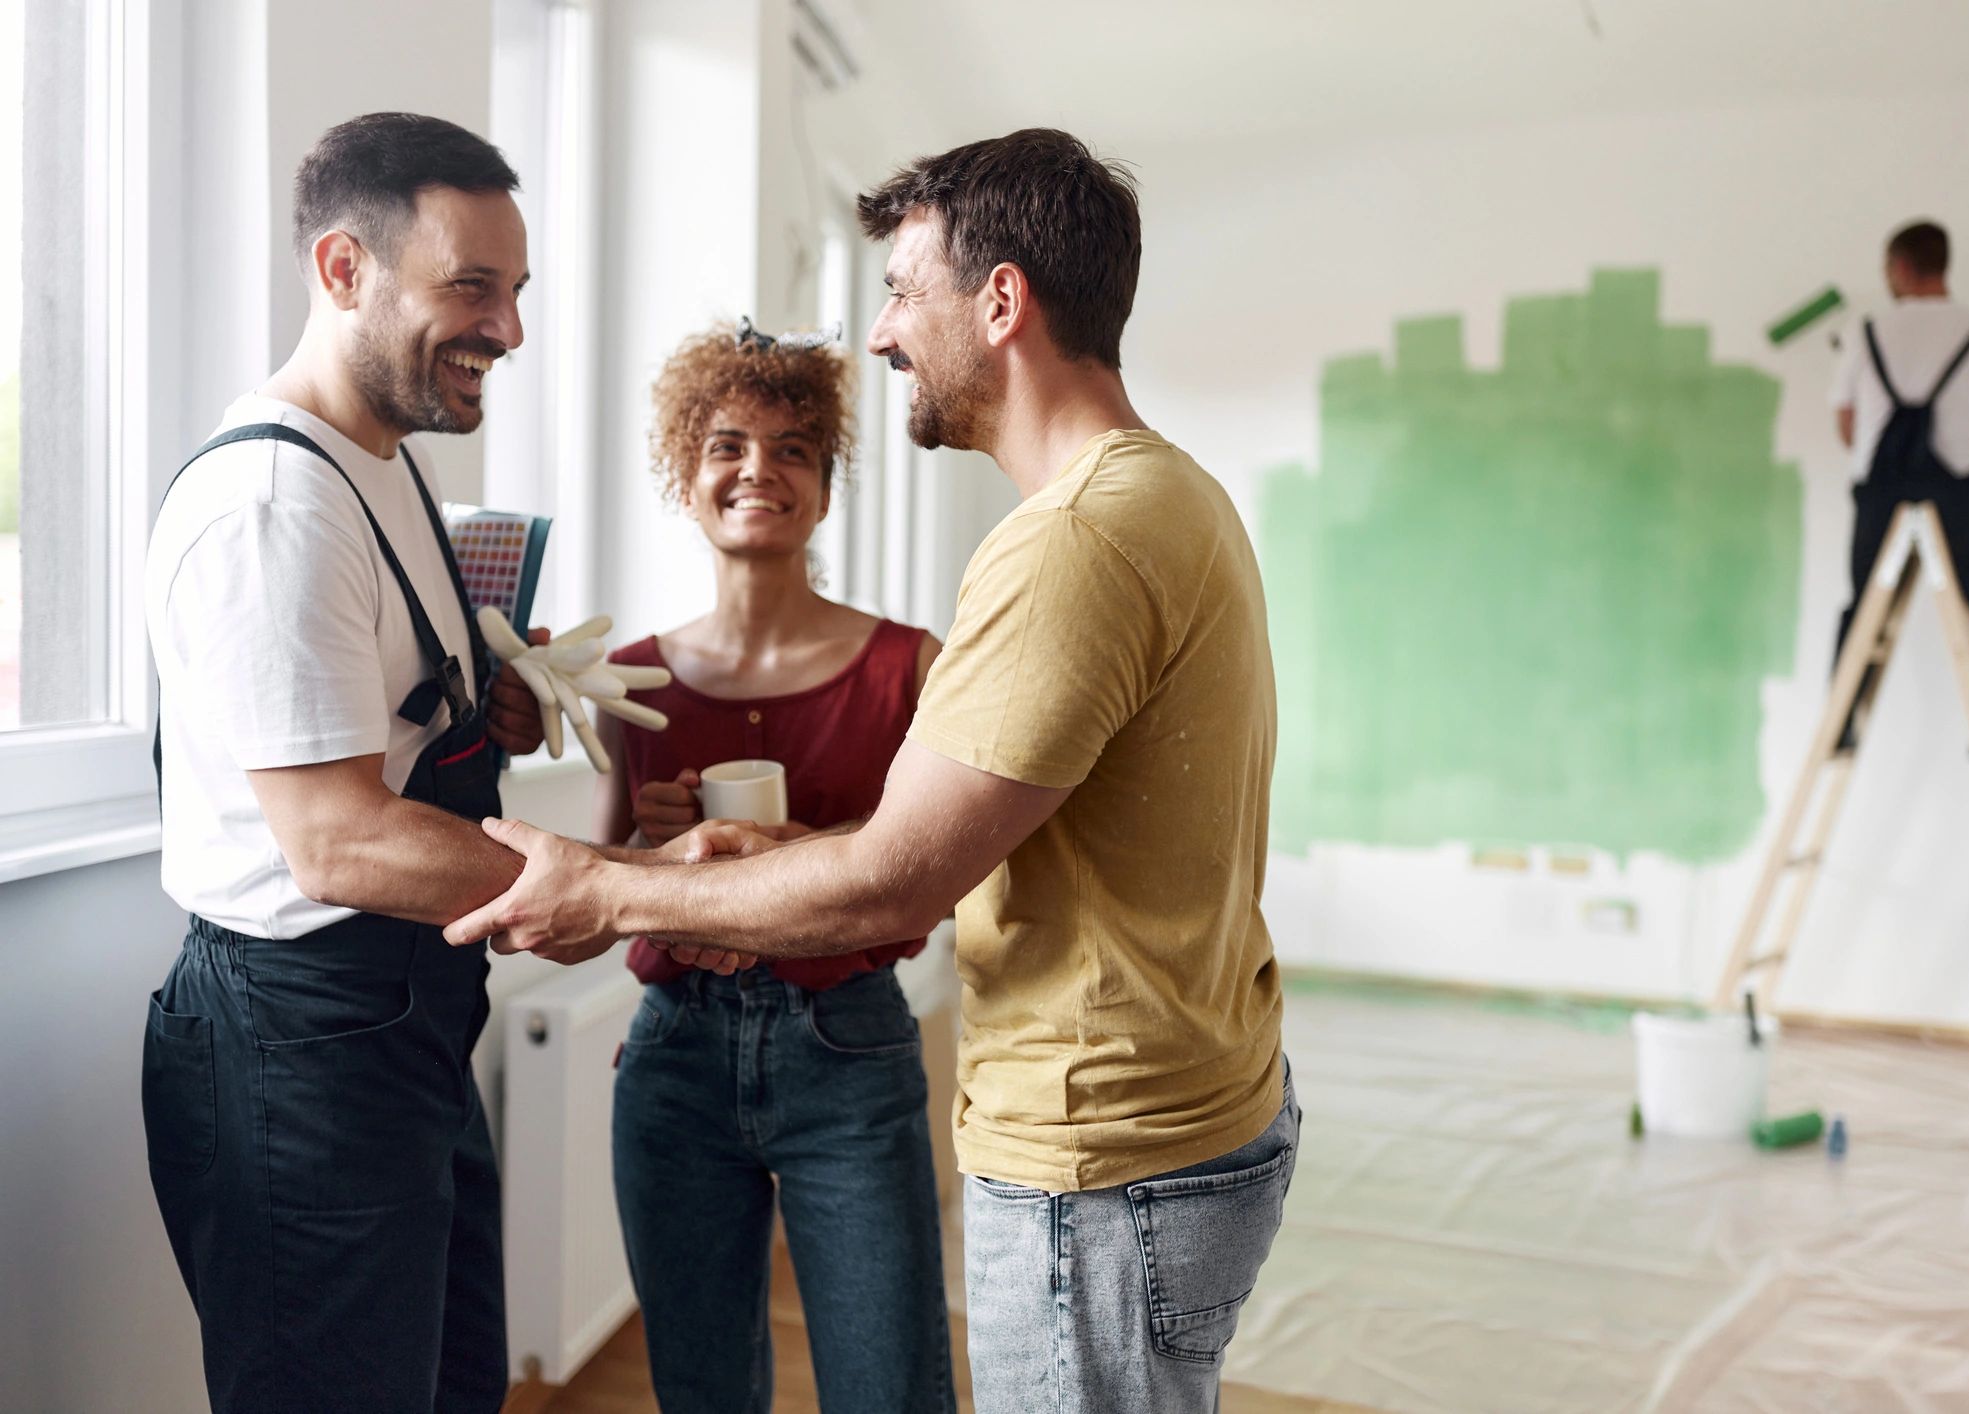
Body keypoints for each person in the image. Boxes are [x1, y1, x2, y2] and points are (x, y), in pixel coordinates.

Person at [448, 128, 1296, 1413]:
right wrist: (753, 854)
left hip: (1100, 1147)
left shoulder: (1070, 541)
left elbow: (894, 885)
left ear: (999, 302)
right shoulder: (1165, 495)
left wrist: (608, 886)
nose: (885, 331)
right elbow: (961, 841)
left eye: (901, 289)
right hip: (1169, 1116)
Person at [141, 112, 556, 1413]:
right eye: (472, 287)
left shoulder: (382, 460)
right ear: (343, 268)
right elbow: (337, 839)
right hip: (299, 1043)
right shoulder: (275, 505)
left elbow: (387, 722)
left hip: (401, 1024)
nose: (509, 329)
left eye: (517, 290)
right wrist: (615, 888)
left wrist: (488, 701)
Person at [593, 320, 954, 1412]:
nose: (759, 469)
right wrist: (649, 843)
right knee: (700, 1390)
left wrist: (818, 855)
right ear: (686, 477)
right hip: (673, 1058)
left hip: (849, 1049)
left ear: (826, 489)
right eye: (727, 445)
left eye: (793, 449)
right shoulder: (630, 679)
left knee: (890, 1388)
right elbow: (615, 876)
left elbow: (943, 875)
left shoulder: (909, 666)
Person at [1832, 219, 1969, 755]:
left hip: (1879, 498)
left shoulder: (1865, 331)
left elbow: (1849, 429)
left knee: (1865, 611)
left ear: (1900, 267)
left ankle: (1839, 724)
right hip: (1958, 496)